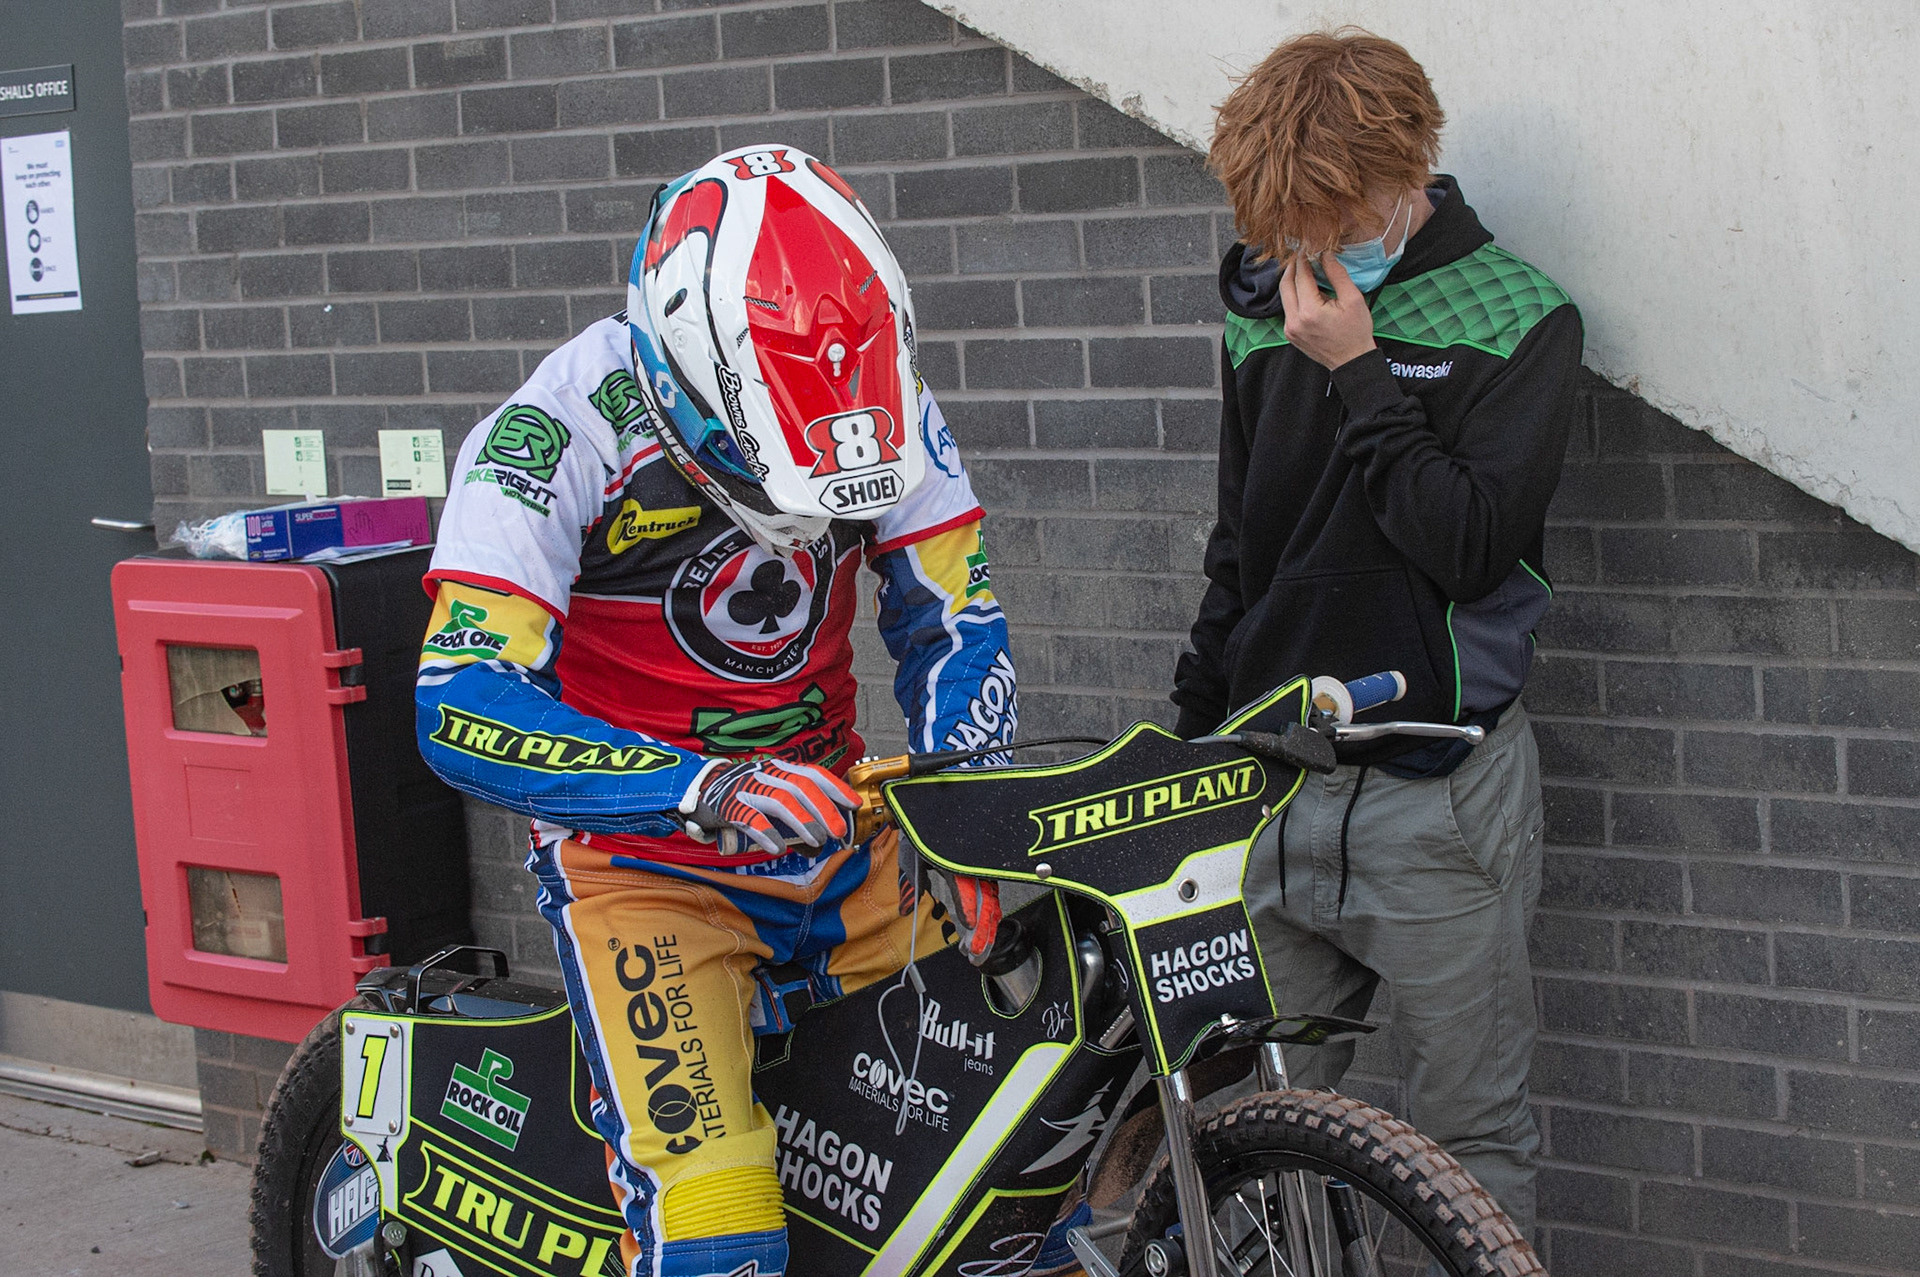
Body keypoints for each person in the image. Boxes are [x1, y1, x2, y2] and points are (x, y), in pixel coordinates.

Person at [414, 146, 1020, 1277]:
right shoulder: (551, 433)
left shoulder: (871, 388)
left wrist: (968, 803)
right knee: (721, 1224)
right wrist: (697, 786)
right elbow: (459, 700)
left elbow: (954, 614)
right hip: (642, 859)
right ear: (686, 377)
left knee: (980, 1180)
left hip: (839, 830)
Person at [1171, 31, 1582, 1240]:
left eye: (1335, 221)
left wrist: (1356, 370)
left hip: (1439, 795)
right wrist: (1192, 742)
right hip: (1273, 784)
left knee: (1471, 1141)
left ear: (1411, 174)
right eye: (1285, 232)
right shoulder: (1266, 300)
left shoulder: (1519, 316)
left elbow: (1467, 544)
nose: (1308, 255)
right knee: (1235, 1123)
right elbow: (1243, 546)